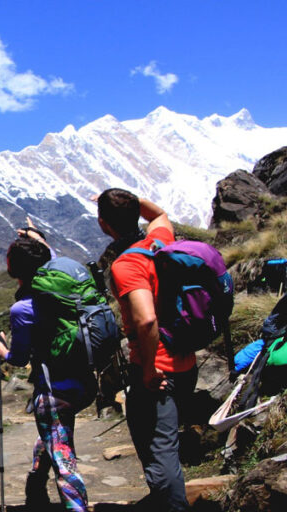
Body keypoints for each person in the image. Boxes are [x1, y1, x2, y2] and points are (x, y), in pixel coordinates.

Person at [96, 188, 193, 512]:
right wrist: (130, 202)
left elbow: (147, 319)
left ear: (104, 224)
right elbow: (159, 215)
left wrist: (150, 369)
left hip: (157, 370)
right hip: (185, 357)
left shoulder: (127, 264)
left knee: (159, 453)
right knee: (165, 445)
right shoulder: (160, 242)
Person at [0, 218, 91, 511]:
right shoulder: (67, 288)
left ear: (13, 270)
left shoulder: (23, 309)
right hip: (84, 381)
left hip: (54, 391)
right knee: (55, 435)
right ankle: (36, 482)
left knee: (64, 460)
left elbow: (19, 359)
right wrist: (37, 238)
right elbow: (48, 257)